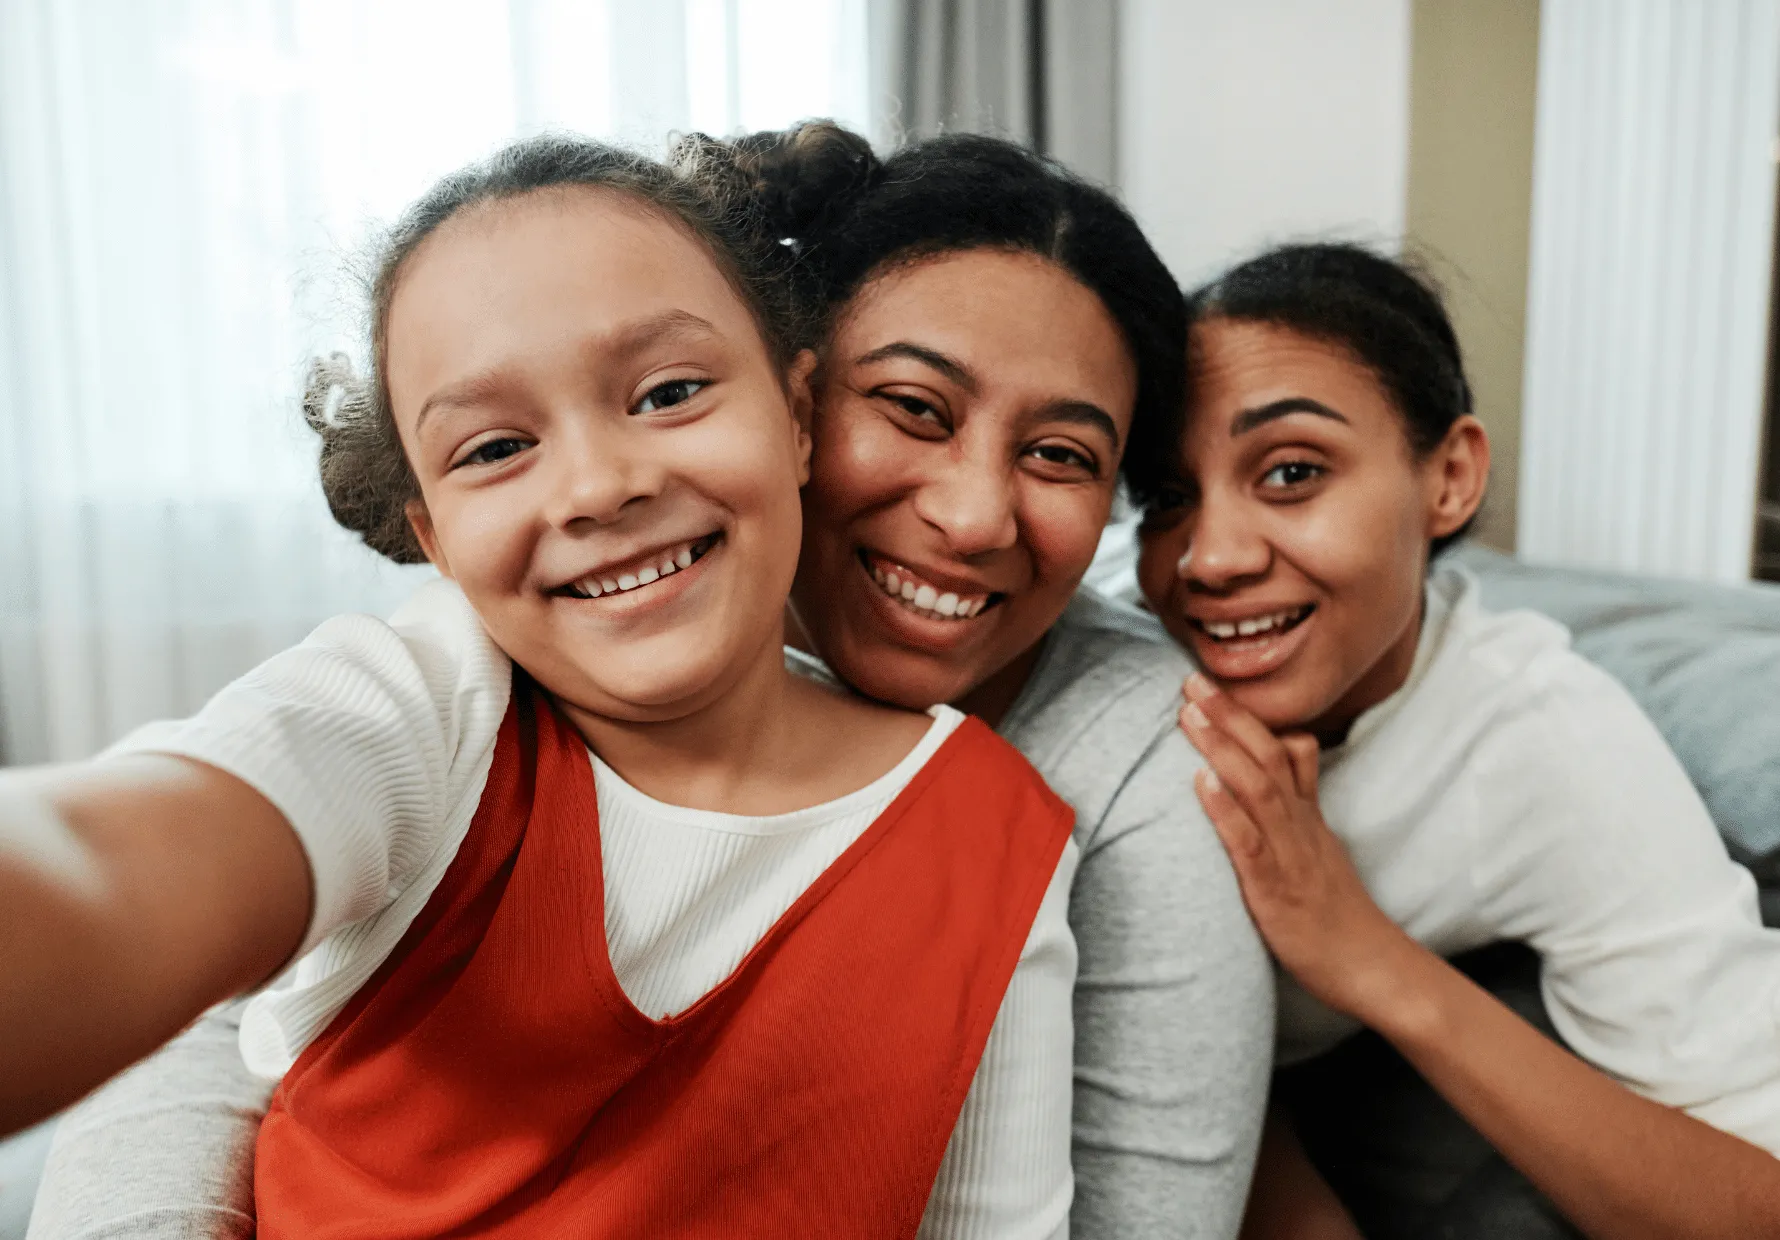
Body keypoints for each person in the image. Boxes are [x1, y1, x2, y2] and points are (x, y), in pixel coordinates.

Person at [24, 125, 1273, 1239]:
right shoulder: (433, 695)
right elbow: (160, 873)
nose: (599, 484)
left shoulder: (1051, 811)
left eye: (1059, 453)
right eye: (910, 406)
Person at [1133, 241, 1780, 1239]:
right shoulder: (1113, 683)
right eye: (1167, 498)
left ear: (1450, 478)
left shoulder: (1539, 738)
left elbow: (1752, 1204)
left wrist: (1369, 959)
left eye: (1292, 472)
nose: (1209, 558)